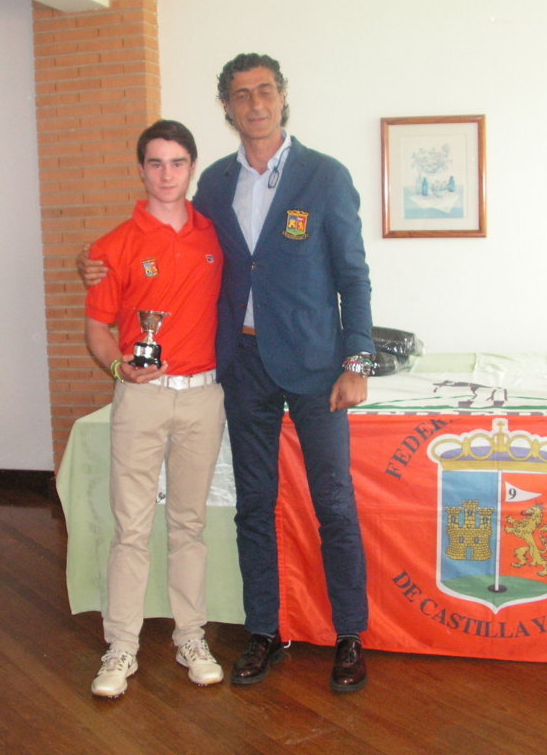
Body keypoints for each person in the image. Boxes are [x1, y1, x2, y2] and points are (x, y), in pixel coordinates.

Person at [79, 53, 376, 693]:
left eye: (265, 90)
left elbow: (353, 276)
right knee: (253, 506)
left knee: (333, 502)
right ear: (227, 107)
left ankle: (350, 634)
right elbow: (174, 246)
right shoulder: (212, 183)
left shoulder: (325, 176)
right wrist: (95, 264)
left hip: (317, 366)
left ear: (282, 96)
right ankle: (264, 631)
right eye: (241, 94)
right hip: (242, 367)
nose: (255, 103)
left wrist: (357, 360)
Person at [85, 120, 226, 699]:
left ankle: (191, 636)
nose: (167, 174)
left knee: (189, 526)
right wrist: (119, 368)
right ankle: (121, 645)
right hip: (141, 399)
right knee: (132, 529)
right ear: (141, 170)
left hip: (203, 397)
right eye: (155, 163)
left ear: (192, 167)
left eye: (177, 162)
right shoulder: (112, 246)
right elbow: (98, 330)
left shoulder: (216, 234)